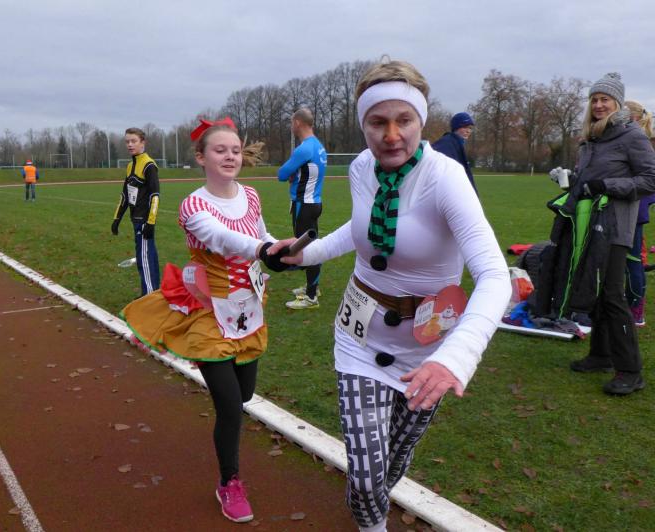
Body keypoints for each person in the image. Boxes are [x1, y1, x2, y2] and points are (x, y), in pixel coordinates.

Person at [267, 60, 510, 532]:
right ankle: (372, 526)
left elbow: (495, 275)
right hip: (360, 337)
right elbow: (359, 229)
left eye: (405, 120)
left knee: (393, 463)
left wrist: (455, 359)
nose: (392, 135)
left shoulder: (446, 177)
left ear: (422, 121)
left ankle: (372, 512)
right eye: (378, 122)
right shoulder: (362, 167)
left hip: (428, 350)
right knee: (365, 476)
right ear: (363, 125)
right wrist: (307, 253)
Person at [121, 118, 288, 524]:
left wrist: (281, 250)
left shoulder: (251, 195)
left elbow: (261, 233)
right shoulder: (194, 206)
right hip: (209, 312)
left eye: (235, 150)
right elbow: (224, 240)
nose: (230, 156)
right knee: (230, 408)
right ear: (201, 157)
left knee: (244, 395)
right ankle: (229, 482)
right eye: (220, 150)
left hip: (248, 310)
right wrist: (264, 250)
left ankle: (219, 375)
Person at [563, 74, 655, 395]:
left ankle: (630, 371)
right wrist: (571, 180)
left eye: (605, 99)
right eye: (595, 100)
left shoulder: (631, 135)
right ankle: (600, 355)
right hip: (591, 224)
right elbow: (590, 177)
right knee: (599, 290)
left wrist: (607, 186)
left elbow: (650, 180)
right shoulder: (594, 136)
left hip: (616, 226)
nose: (599, 105)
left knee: (613, 295)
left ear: (617, 103)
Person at [277, 108, 327, 309]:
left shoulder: (304, 149)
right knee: (311, 246)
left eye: (292, 123)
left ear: (297, 122)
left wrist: (293, 174)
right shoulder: (318, 146)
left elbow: (281, 174)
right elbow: (307, 173)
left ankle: (311, 297)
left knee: (306, 249)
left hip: (303, 205)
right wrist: (297, 174)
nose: (291, 126)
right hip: (315, 203)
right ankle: (312, 287)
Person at [111, 127, 161, 296]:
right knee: (147, 257)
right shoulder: (130, 166)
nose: (130, 145)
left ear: (142, 142)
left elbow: (155, 196)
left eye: (133, 141)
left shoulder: (149, 165)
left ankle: (148, 297)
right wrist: (117, 218)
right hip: (136, 220)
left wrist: (151, 222)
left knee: (145, 260)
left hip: (145, 221)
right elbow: (125, 195)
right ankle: (153, 294)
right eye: (127, 142)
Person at [623, 100, 655, 326]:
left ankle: (635, 311)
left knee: (633, 259)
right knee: (631, 259)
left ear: (632, 117)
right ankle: (632, 308)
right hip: (634, 207)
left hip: (633, 208)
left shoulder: (638, 141)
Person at [431, 112, 477, 192]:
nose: (468, 131)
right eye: (465, 127)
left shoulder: (456, 144)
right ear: (456, 128)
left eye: (470, 128)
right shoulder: (446, 144)